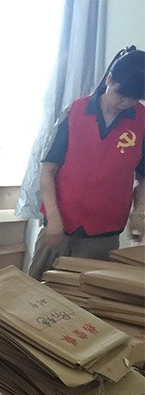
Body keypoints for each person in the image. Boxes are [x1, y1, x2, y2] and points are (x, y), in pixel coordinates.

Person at [29, 46, 145, 281]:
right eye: (121, 94)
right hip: (59, 226)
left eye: (134, 98)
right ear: (109, 79)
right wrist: (53, 218)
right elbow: (48, 170)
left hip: (103, 234)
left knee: (86, 294)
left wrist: (139, 211)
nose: (125, 102)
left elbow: (143, 178)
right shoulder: (75, 111)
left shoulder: (142, 122)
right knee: (36, 288)